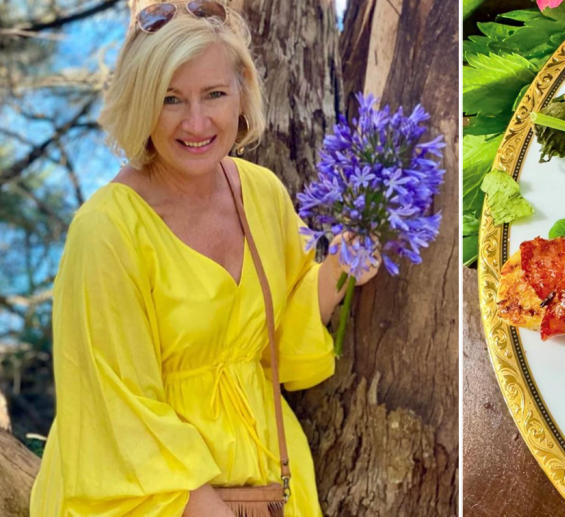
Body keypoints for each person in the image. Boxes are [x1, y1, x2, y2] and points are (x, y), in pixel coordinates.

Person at [29, 2, 376, 515]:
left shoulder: (262, 193)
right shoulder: (106, 230)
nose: (196, 122)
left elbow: (279, 346)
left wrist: (341, 267)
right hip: (151, 497)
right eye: (171, 100)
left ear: (242, 93)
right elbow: (116, 413)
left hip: (269, 482)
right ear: (141, 104)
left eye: (213, 94)